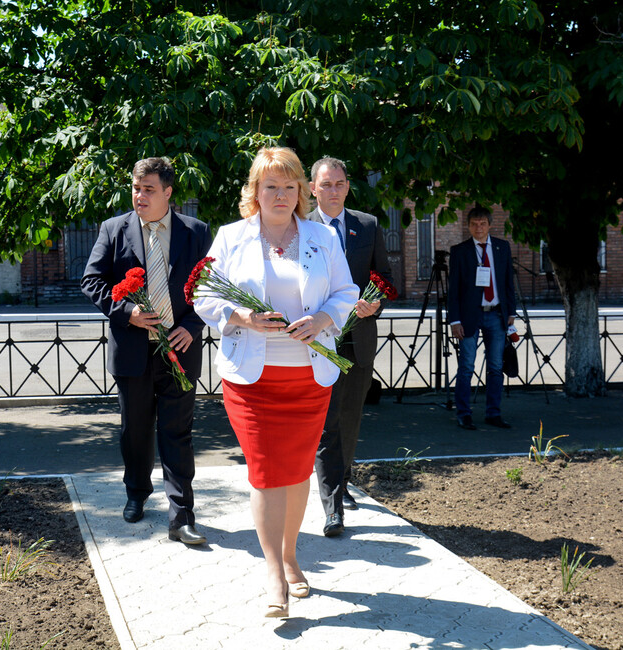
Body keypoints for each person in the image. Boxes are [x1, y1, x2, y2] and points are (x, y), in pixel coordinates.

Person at [194, 147, 358, 618]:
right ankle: (273, 572)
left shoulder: (322, 237)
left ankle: (290, 557)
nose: (280, 195)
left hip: (309, 377)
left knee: (298, 470)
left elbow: (346, 291)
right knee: (266, 471)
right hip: (252, 380)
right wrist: (240, 316)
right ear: (255, 191)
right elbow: (202, 294)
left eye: (289, 186)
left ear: (301, 191)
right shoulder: (231, 237)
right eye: (271, 186)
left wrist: (323, 318)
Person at [81, 157, 212, 545]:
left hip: (179, 351)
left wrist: (193, 325)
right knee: (135, 431)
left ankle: (181, 515)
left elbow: (211, 286)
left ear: (168, 192)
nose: (140, 196)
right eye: (136, 189)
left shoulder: (196, 232)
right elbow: (92, 281)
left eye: (149, 189)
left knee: (177, 433)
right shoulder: (113, 229)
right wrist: (128, 312)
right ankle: (137, 493)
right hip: (133, 351)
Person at [307, 156, 395, 538]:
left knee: (349, 419)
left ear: (348, 186)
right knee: (326, 423)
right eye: (326, 184)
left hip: (359, 338)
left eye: (339, 183)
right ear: (313, 188)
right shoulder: (301, 227)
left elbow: (384, 277)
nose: (333, 191)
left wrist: (376, 303)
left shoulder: (367, 225)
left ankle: (340, 483)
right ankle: (333, 508)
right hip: (318, 341)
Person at [448, 206, 517, 430]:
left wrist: (511, 312)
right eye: (474, 224)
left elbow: (508, 282)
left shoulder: (501, 247)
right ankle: (464, 414)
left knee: (496, 367)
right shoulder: (460, 251)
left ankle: (493, 413)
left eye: (483, 224)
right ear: (468, 226)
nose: (479, 228)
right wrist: (454, 320)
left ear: (489, 225)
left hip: (496, 314)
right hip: (470, 316)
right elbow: (453, 289)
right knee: (467, 366)